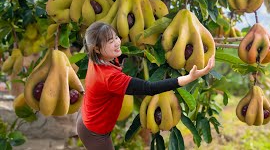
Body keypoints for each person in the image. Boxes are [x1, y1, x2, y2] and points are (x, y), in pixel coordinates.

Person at [76, 22, 215, 150]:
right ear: (97, 49)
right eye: (110, 41)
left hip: (87, 117)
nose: (117, 43)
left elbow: (119, 55)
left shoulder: (97, 58)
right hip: (94, 133)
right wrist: (189, 78)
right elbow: (149, 88)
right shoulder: (110, 78)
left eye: (116, 37)